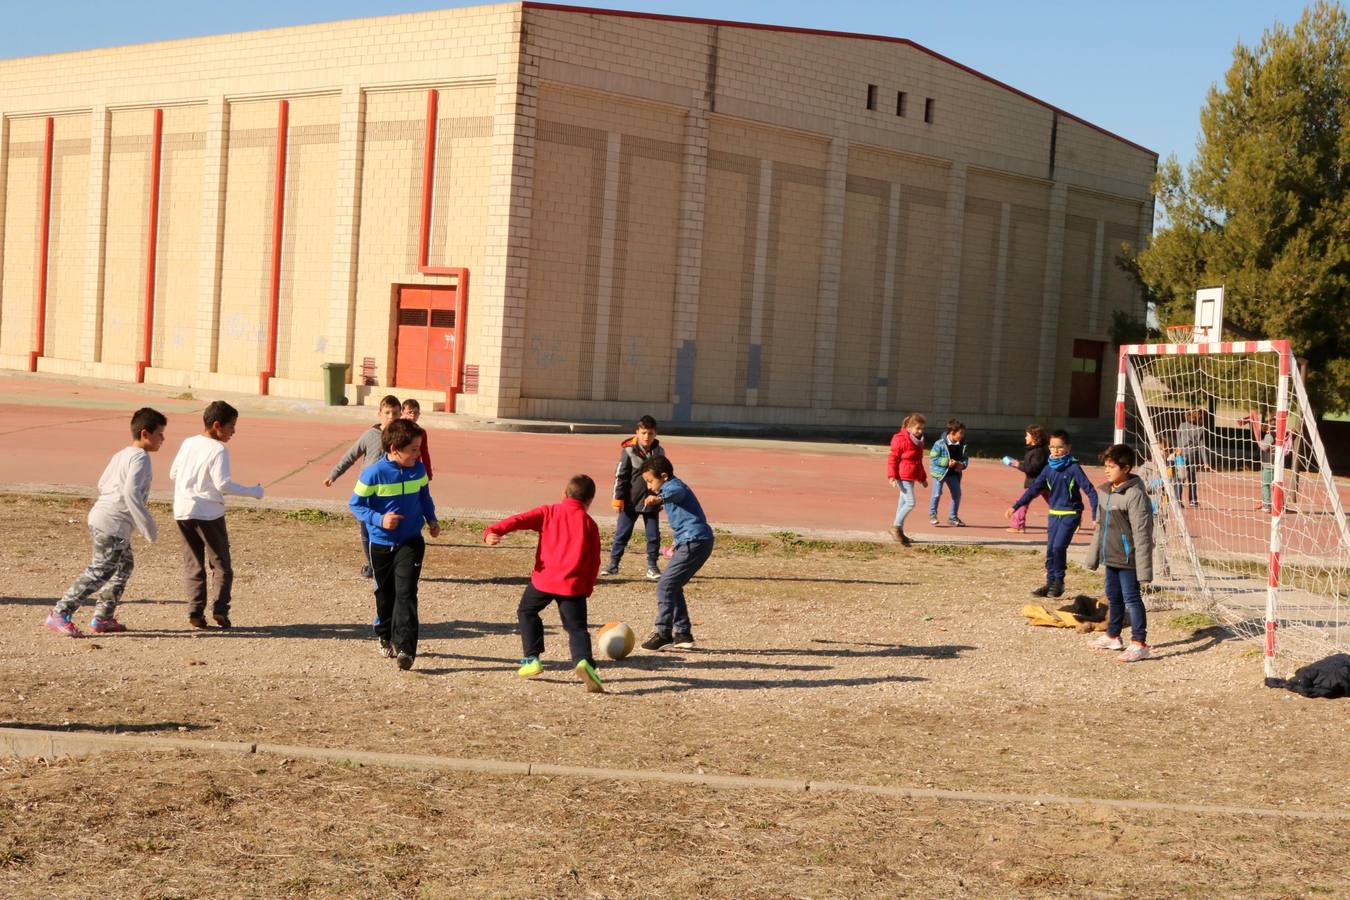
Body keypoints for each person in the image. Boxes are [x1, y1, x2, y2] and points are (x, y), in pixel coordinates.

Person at [45, 408, 168, 637]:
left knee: (124, 565)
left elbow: (103, 483)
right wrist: (148, 527)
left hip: (103, 518)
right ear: (145, 434)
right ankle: (60, 612)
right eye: (160, 433)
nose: (163, 439)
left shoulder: (122, 454)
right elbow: (131, 493)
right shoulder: (141, 458)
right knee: (100, 570)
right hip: (112, 523)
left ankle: (103, 617)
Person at [483, 475, 605, 693]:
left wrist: (493, 531)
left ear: (564, 494)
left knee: (527, 611)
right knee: (576, 628)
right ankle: (583, 661)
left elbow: (519, 520)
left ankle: (532, 659)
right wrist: (588, 586)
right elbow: (594, 559)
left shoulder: (549, 512)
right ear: (590, 500)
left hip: (544, 581)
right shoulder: (590, 524)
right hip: (573, 586)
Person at [349, 418, 439, 670]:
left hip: (411, 542)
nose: (418, 454)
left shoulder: (418, 470)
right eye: (413, 449)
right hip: (380, 544)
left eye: (419, 448)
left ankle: (406, 650)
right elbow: (355, 505)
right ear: (394, 450)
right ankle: (384, 633)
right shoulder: (373, 473)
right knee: (385, 595)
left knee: (407, 593)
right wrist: (379, 519)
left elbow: (424, 496)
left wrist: (432, 520)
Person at [169, 401, 264, 629]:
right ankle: (220, 608)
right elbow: (222, 484)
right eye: (232, 426)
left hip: (182, 510)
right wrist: (253, 491)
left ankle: (195, 610)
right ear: (217, 425)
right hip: (208, 513)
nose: (234, 431)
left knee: (193, 563)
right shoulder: (219, 449)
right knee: (221, 564)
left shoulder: (188, 443)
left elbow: (173, 473)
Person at [1006, 429, 1098, 598]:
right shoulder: (1048, 469)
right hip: (1054, 514)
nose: (1055, 451)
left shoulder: (1074, 468)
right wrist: (1016, 506)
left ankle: (1059, 582)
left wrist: (1095, 515)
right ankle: (1049, 583)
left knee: (1058, 547)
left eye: (1059, 447)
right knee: (1050, 549)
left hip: (1071, 514)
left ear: (1068, 448)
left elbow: (1090, 490)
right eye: (1052, 447)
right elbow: (1033, 489)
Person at [1085, 444, 1154, 662]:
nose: (1107, 470)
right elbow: (1101, 529)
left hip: (1129, 559)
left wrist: (1144, 570)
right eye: (1105, 466)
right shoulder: (1105, 491)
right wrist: (1094, 557)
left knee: (1132, 600)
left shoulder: (1135, 495)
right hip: (1111, 557)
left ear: (1126, 468)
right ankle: (1113, 636)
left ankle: (1139, 643)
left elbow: (1142, 534)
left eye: (1112, 466)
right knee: (1113, 598)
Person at [637, 456, 713, 651]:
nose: (649, 485)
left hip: (695, 541)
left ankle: (663, 633)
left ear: (663, 476)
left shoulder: (673, 486)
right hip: (691, 541)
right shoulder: (669, 487)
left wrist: (659, 498)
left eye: (650, 481)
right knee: (673, 585)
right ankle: (683, 634)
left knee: (665, 584)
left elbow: (675, 492)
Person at [326, 394, 401, 578]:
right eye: (387, 412)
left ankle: (390, 563)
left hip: (390, 493)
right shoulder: (370, 435)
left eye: (395, 413)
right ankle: (372, 564)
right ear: (379, 414)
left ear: (400, 415)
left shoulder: (401, 438)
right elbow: (351, 456)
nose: (391, 417)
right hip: (368, 492)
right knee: (367, 528)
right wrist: (334, 474)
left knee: (389, 527)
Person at [601, 414, 665, 580]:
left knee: (653, 536)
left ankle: (652, 566)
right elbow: (620, 477)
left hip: (651, 501)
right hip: (630, 501)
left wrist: (662, 498)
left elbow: (664, 477)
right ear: (637, 432)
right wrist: (618, 499)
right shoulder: (628, 451)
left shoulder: (659, 451)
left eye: (650, 433)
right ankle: (613, 565)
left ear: (655, 434)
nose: (646, 437)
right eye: (643, 433)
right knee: (622, 534)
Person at [886, 414, 928, 545]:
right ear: (909, 427)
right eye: (917, 428)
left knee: (902, 505)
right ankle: (895, 527)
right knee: (911, 503)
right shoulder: (900, 439)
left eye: (922, 428)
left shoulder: (918, 441)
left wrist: (923, 478)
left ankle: (900, 533)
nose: (920, 431)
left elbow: (918, 461)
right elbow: (893, 459)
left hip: (912, 475)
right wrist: (892, 476)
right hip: (902, 475)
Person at [1005, 425, 1049, 533]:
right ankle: (1073, 519)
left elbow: (1033, 469)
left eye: (1027, 436)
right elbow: (1032, 465)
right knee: (1055, 502)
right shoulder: (1035, 450)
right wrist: (1020, 464)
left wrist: (1018, 465)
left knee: (1022, 502)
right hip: (1042, 482)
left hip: (1036, 483)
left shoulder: (1038, 452)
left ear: (1035, 438)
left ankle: (1018, 525)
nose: (1025, 438)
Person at [928, 419, 968, 526]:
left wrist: (962, 465)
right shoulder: (939, 443)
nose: (962, 436)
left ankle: (952, 517)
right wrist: (946, 462)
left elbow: (965, 459)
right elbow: (933, 458)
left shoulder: (962, 445)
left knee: (957, 495)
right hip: (939, 474)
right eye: (961, 433)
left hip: (953, 474)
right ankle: (932, 514)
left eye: (963, 433)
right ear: (952, 432)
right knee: (937, 493)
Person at [1173, 408, 1208, 508]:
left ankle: (1177, 501)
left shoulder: (1182, 425)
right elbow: (1202, 446)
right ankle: (1193, 500)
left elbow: (1178, 438)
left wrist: (1178, 450)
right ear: (1198, 417)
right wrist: (1205, 462)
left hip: (1180, 454)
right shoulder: (1200, 428)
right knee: (1192, 478)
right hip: (1193, 454)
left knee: (1180, 478)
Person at [401, 398, 433, 481]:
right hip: (399, 467)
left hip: (414, 467)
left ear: (419, 414)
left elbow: (424, 453)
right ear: (402, 413)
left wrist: (428, 473)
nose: (413, 415)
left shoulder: (421, 432)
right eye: (409, 412)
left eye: (415, 413)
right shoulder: (396, 429)